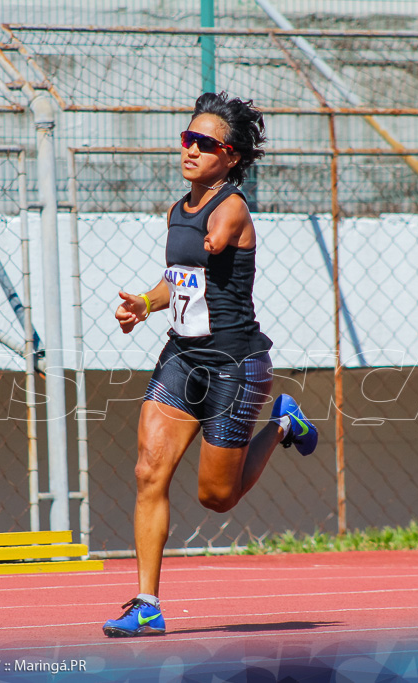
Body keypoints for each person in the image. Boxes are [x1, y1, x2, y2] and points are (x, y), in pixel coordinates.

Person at [102, 92, 318, 637]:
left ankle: (285, 423)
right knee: (148, 472)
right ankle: (146, 604)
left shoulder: (233, 207)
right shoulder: (178, 210)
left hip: (234, 366)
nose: (191, 150)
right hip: (181, 357)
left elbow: (214, 244)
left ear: (233, 157)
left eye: (205, 144)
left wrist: (214, 234)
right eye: (187, 139)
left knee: (216, 498)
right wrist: (145, 307)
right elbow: (176, 279)